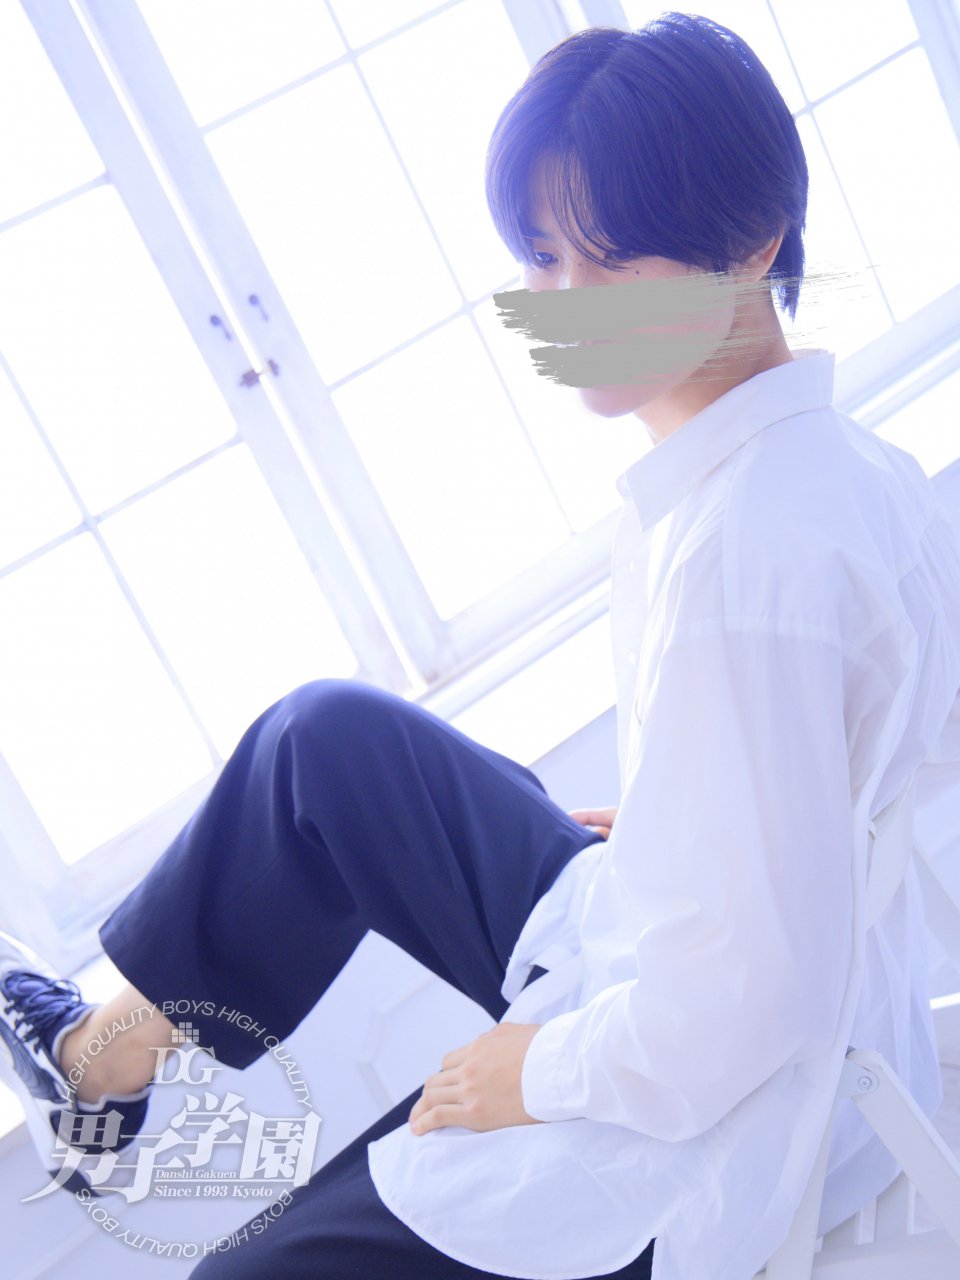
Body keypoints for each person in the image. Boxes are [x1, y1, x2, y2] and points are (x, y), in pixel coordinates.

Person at [3, 11, 959, 1280]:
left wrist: (533, 1070)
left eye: (610, 262)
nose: (558, 306)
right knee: (326, 743)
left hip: (706, 1113)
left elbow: (748, 1006)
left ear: (753, 243)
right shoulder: (838, 468)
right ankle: (97, 1065)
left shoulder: (747, 557)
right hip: (681, 941)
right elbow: (891, 753)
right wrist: (705, 815)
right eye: (544, 258)